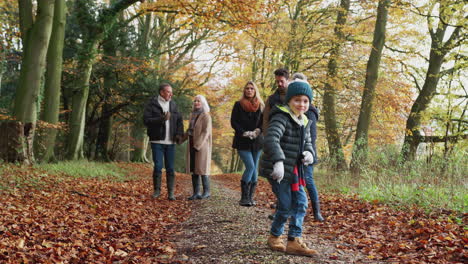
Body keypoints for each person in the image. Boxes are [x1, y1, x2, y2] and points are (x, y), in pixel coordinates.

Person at [259, 79, 318, 257]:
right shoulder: (281, 117)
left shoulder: (305, 121)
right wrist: (278, 161)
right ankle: (275, 237)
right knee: (285, 205)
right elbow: (271, 139)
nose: (301, 104)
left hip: (295, 171)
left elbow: (307, 142)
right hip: (278, 169)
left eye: (305, 101)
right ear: (289, 101)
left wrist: (309, 153)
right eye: (297, 100)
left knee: (301, 202)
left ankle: (294, 240)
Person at [291, 73, 324, 222]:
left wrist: (307, 152)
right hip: (292, 151)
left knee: (308, 181)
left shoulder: (309, 111)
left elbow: (311, 134)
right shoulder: (292, 107)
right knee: (291, 180)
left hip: (307, 152)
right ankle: (286, 209)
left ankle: (317, 211)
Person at [143, 83, 184, 200]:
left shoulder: (173, 105)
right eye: (168, 92)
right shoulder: (152, 104)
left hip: (170, 142)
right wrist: (161, 119)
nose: (171, 94)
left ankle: (171, 193)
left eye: (171, 92)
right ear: (161, 92)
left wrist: (179, 134)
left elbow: (179, 122)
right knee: (158, 166)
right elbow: (146, 121)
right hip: (157, 141)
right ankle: (157, 191)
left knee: (170, 168)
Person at [230, 81, 264, 206]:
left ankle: (250, 197)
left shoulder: (261, 105)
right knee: (250, 167)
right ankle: (243, 198)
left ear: (255, 91)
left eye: (251, 88)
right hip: (242, 140)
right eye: (247, 88)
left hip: (257, 141)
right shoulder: (238, 105)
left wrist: (257, 131)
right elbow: (234, 122)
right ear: (244, 91)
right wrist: (244, 132)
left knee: (255, 169)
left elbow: (263, 122)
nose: (249, 90)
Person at [183, 95, 212, 200]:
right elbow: (189, 130)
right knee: (194, 168)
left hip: (202, 145)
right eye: (195, 101)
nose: (196, 103)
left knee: (202, 168)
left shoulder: (206, 116)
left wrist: (198, 145)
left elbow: (206, 132)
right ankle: (196, 193)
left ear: (203, 103)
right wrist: (181, 139)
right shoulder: (192, 115)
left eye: (198, 101)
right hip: (191, 142)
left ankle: (207, 192)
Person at [262, 68, 290, 133]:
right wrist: (267, 136)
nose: (279, 84)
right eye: (277, 81)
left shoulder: (295, 97)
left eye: (282, 81)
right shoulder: (270, 99)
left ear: (288, 80)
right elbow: (265, 120)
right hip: (274, 135)